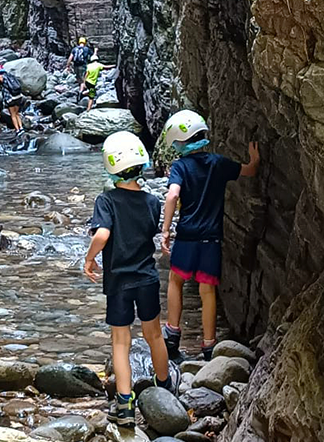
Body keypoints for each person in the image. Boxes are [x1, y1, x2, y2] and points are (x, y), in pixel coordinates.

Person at [84, 131, 175, 427]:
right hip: (147, 277)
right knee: (154, 335)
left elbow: (102, 234)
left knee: (121, 343)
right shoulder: (151, 201)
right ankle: (164, 388)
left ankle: (124, 404)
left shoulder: (106, 200)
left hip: (120, 281)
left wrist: (89, 257)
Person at [159, 110, 260, 361]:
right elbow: (249, 170)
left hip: (187, 236)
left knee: (176, 280)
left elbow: (172, 195)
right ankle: (208, 346)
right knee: (207, 289)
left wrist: (165, 229)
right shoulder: (218, 163)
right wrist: (255, 159)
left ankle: (172, 337)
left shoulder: (180, 167)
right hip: (211, 237)